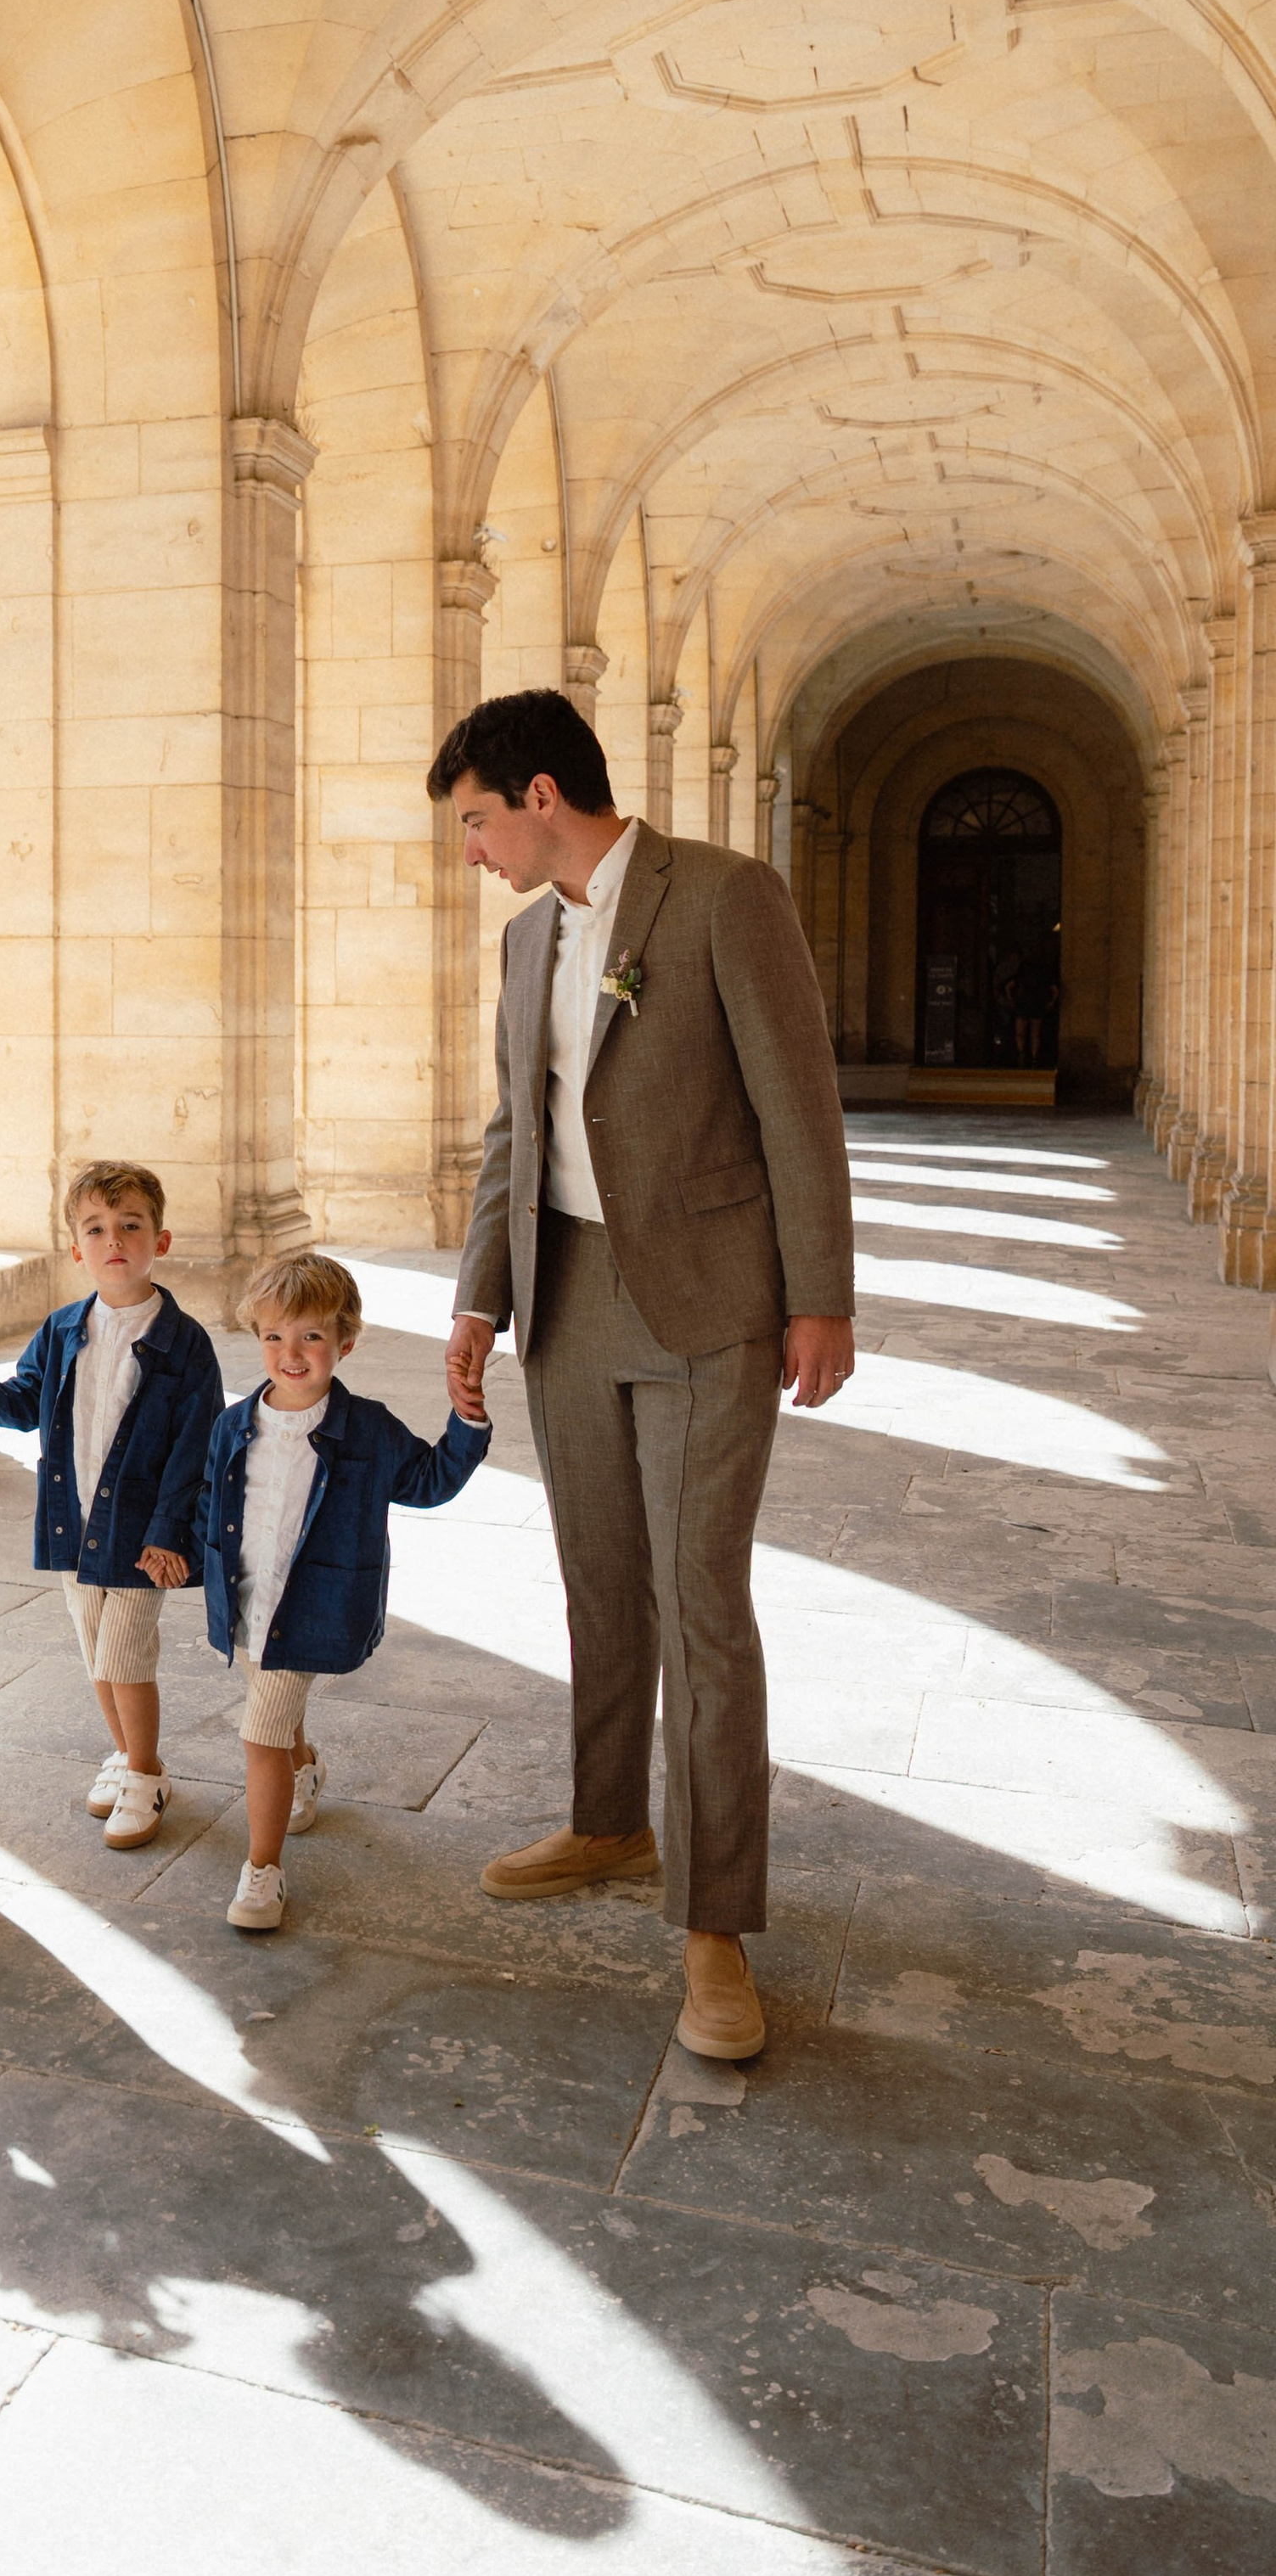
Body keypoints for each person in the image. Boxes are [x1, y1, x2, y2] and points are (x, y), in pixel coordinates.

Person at [430, 690, 854, 2061]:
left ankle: (715, 1928)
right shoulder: (523, 943)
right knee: (601, 1581)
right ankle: (610, 1823)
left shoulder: (726, 896)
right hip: (566, 1304)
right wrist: (477, 1301)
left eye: (479, 820)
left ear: (541, 793)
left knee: (701, 1606)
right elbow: (516, 1129)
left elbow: (799, 1106)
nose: (475, 850)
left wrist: (821, 1300)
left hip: (709, 1304)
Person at [197, 1252, 489, 1934]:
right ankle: (306, 1769)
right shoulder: (233, 1425)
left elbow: (428, 1482)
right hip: (245, 1603)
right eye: (274, 1336)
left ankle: (263, 1869)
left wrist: (466, 1423)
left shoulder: (369, 1428)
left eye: (311, 1337)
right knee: (275, 1714)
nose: (290, 1353)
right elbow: (210, 1499)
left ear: (345, 1342)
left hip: (311, 1607)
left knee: (259, 1734)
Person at [0, 1163, 222, 1846]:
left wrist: (170, 1534)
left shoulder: (186, 1345)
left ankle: (148, 1773)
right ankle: (126, 1754)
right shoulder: (65, 1329)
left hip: (142, 1536)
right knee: (98, 1655)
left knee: (127, 1657)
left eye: (131, 1225)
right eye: (96, 1229)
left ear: (161, 1239)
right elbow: (21, 1405)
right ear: (76, 1248)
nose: (114, 1240)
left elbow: (196, 1453)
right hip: (76, 1526)